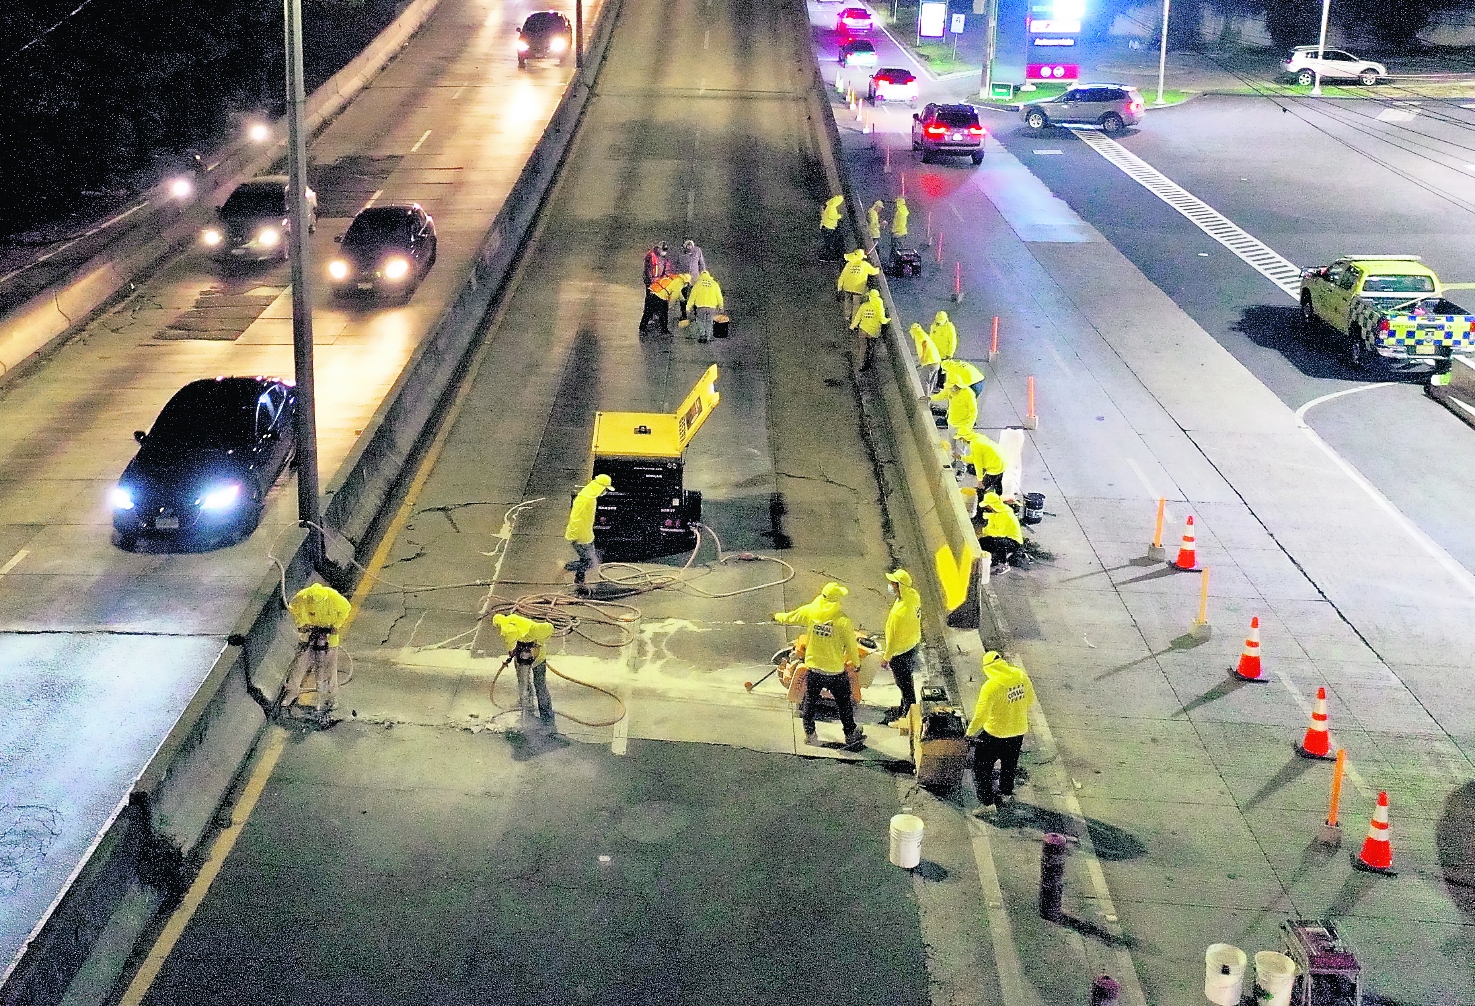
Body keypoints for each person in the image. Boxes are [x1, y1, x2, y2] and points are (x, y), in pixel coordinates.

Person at [775, 582, 865, 750]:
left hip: (814, 668)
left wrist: (777, 616)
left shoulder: (812, 611)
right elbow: (852, 646)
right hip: (835, 671)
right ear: (837, 600)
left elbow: (791, 616)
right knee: (844, 703)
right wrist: (857, 664)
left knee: (809, 700)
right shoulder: (842, 621)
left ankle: (810, 734)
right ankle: (851, 733)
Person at [966, 650, 1035, 814]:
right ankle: (1006, 793)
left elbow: (981, 715)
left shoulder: (991, 686)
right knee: (1009, 764)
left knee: (982, 768)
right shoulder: (1020, 675)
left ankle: (987, 803)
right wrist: (1014, 711)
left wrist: (969, 733)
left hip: (995, 734)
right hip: (1018, 732)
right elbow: (1030, 699)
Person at [282, 581, 353, 721]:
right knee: (299, 667)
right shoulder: (303, 596)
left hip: (329, 638)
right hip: (310, 636)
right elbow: (293, 608)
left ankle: (331, 699)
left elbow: (346, 608)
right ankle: (292, 693)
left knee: (329, 671)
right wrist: (301, 624)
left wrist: (336, 625)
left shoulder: (333, 597)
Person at [492, 611, 557, 731]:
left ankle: (547, 718)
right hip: (521, 658)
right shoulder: (505, 625)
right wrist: (513, 652)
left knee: (540, 685)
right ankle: (527, 706)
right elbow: (510, 645)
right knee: (523, 684)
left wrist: (537, 643)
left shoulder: (535, 629)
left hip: (539, 656)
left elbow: (549, 628)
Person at [880, 568, 921, 724]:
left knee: (904, 685)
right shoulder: (913, 596)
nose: (890, 586)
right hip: (912, 646)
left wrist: (886, 657)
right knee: (907, 682)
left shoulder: (900, 612)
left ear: (900, 586)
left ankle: (907, 716)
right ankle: (905, 708)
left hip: (900, 653)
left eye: (893, 583)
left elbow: (892, 639)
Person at [564, 474, 613, 588]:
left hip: (587, 535)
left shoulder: (589, 496)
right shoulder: (586, 499)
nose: (604, 491)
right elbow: (575, 518)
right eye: (604, 489)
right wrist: (574, 535)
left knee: (586, 559)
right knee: (590, 562)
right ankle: (567, 568)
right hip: (581, 537)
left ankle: (579, 580)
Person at [978, 491, 1023, 571]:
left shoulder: (1006, 515)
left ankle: (1003, 564)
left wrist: (987, 531)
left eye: (988, 504)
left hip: (1014, 542)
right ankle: (993, 560)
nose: (987, 507)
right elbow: (989, 529)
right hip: (1003, 538)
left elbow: (1000, 533)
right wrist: (988, 531)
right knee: (982, 541)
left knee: (998, 542)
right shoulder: (994, 514)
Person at [931, 380, 977, 456]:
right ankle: (954, 458)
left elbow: (974, 412)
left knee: (960, 448)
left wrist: (968, 426)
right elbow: (942, 395)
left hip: (962, 426)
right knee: (952, 444)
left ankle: (961, 464)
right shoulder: (951, 390)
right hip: (952, 422)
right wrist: (930, 398)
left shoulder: (968, 394)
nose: (951, 389)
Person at [956, 427, 1007, 496]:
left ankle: (980, 504)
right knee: (997, 483)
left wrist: (980, 480)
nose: (962, 441)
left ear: (965, 438)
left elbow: (978, 463)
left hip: (994, 467)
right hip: (1001, 463)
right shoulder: (977, 437)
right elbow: (974, 458)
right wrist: (960, 457)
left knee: (981, 488)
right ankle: (999, 498)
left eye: (961, 439)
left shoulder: (975, 445)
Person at [849, 288, 889, 371]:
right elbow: (882, 320)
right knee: (871, 347)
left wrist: (852, 327)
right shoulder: (879, 308)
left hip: (863, 330)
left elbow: (857, 318)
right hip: (873, 331)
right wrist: (888, 320)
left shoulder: (864, 306)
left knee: (863, 347)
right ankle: (869, 362)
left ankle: (861, 363)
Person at [836, 247, 878, 320]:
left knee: (847, 300)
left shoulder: (849, 264)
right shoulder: (865, 265)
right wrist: (878, 269)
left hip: (847, 287)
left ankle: (847, 315)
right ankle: (854, 319)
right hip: (858, 288)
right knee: (856, 304)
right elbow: (874, 271)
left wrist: (839, 288)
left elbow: (842, 277)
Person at [686, 269, 724, 343]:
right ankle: (708, 336)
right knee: (709, 321)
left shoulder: (698, 284)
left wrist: (688, 307)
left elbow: (692, 297)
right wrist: (721, 306)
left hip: (700, 306)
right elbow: (719, 296)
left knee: (700, 321)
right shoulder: (714, 284)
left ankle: (702, 334)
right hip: (712, 306)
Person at [647, 271, 689, 335]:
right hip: (660, 296)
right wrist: (669, 306)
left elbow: (677, 292)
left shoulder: (675, 278)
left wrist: (682, 299)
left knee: (648, 312)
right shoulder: (680, 284)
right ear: (686, 281)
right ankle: (664, 331)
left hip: (652, 291)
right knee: (664, 314)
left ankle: (642, 328)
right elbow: (674, 296)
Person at [910, 322, 941, 395]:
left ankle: (925, 399)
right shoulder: (922, 333)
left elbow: (925, 343)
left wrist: (923, 357)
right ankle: (929, 399)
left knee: (924, 381)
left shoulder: (918, 334)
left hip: (929, 362)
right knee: (931, 382)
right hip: (936, 361)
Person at [819, 194, 844, 260]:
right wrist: (839, 216)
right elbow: (832, 216)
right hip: (828, 227)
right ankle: (827, 256)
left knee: (828, 243)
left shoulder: (829, 206)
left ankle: (825, 256)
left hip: (826, 227)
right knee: (829, 243)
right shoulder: (832, 207)